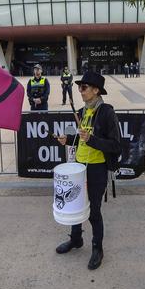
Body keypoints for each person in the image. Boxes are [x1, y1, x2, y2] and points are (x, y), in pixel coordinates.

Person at [55, 71, 121, 271]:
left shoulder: (107, 112)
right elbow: (81, 139)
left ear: (96, 90)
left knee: (94, 211)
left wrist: (92, 140)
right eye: (79, 88)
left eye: (84, 88)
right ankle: (76, 240)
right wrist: (69, 140)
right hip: (79, 166)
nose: (80, 91)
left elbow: (116, 145)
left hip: (97, 168)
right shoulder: (84, 112)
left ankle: (97, 248)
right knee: (75, 206)